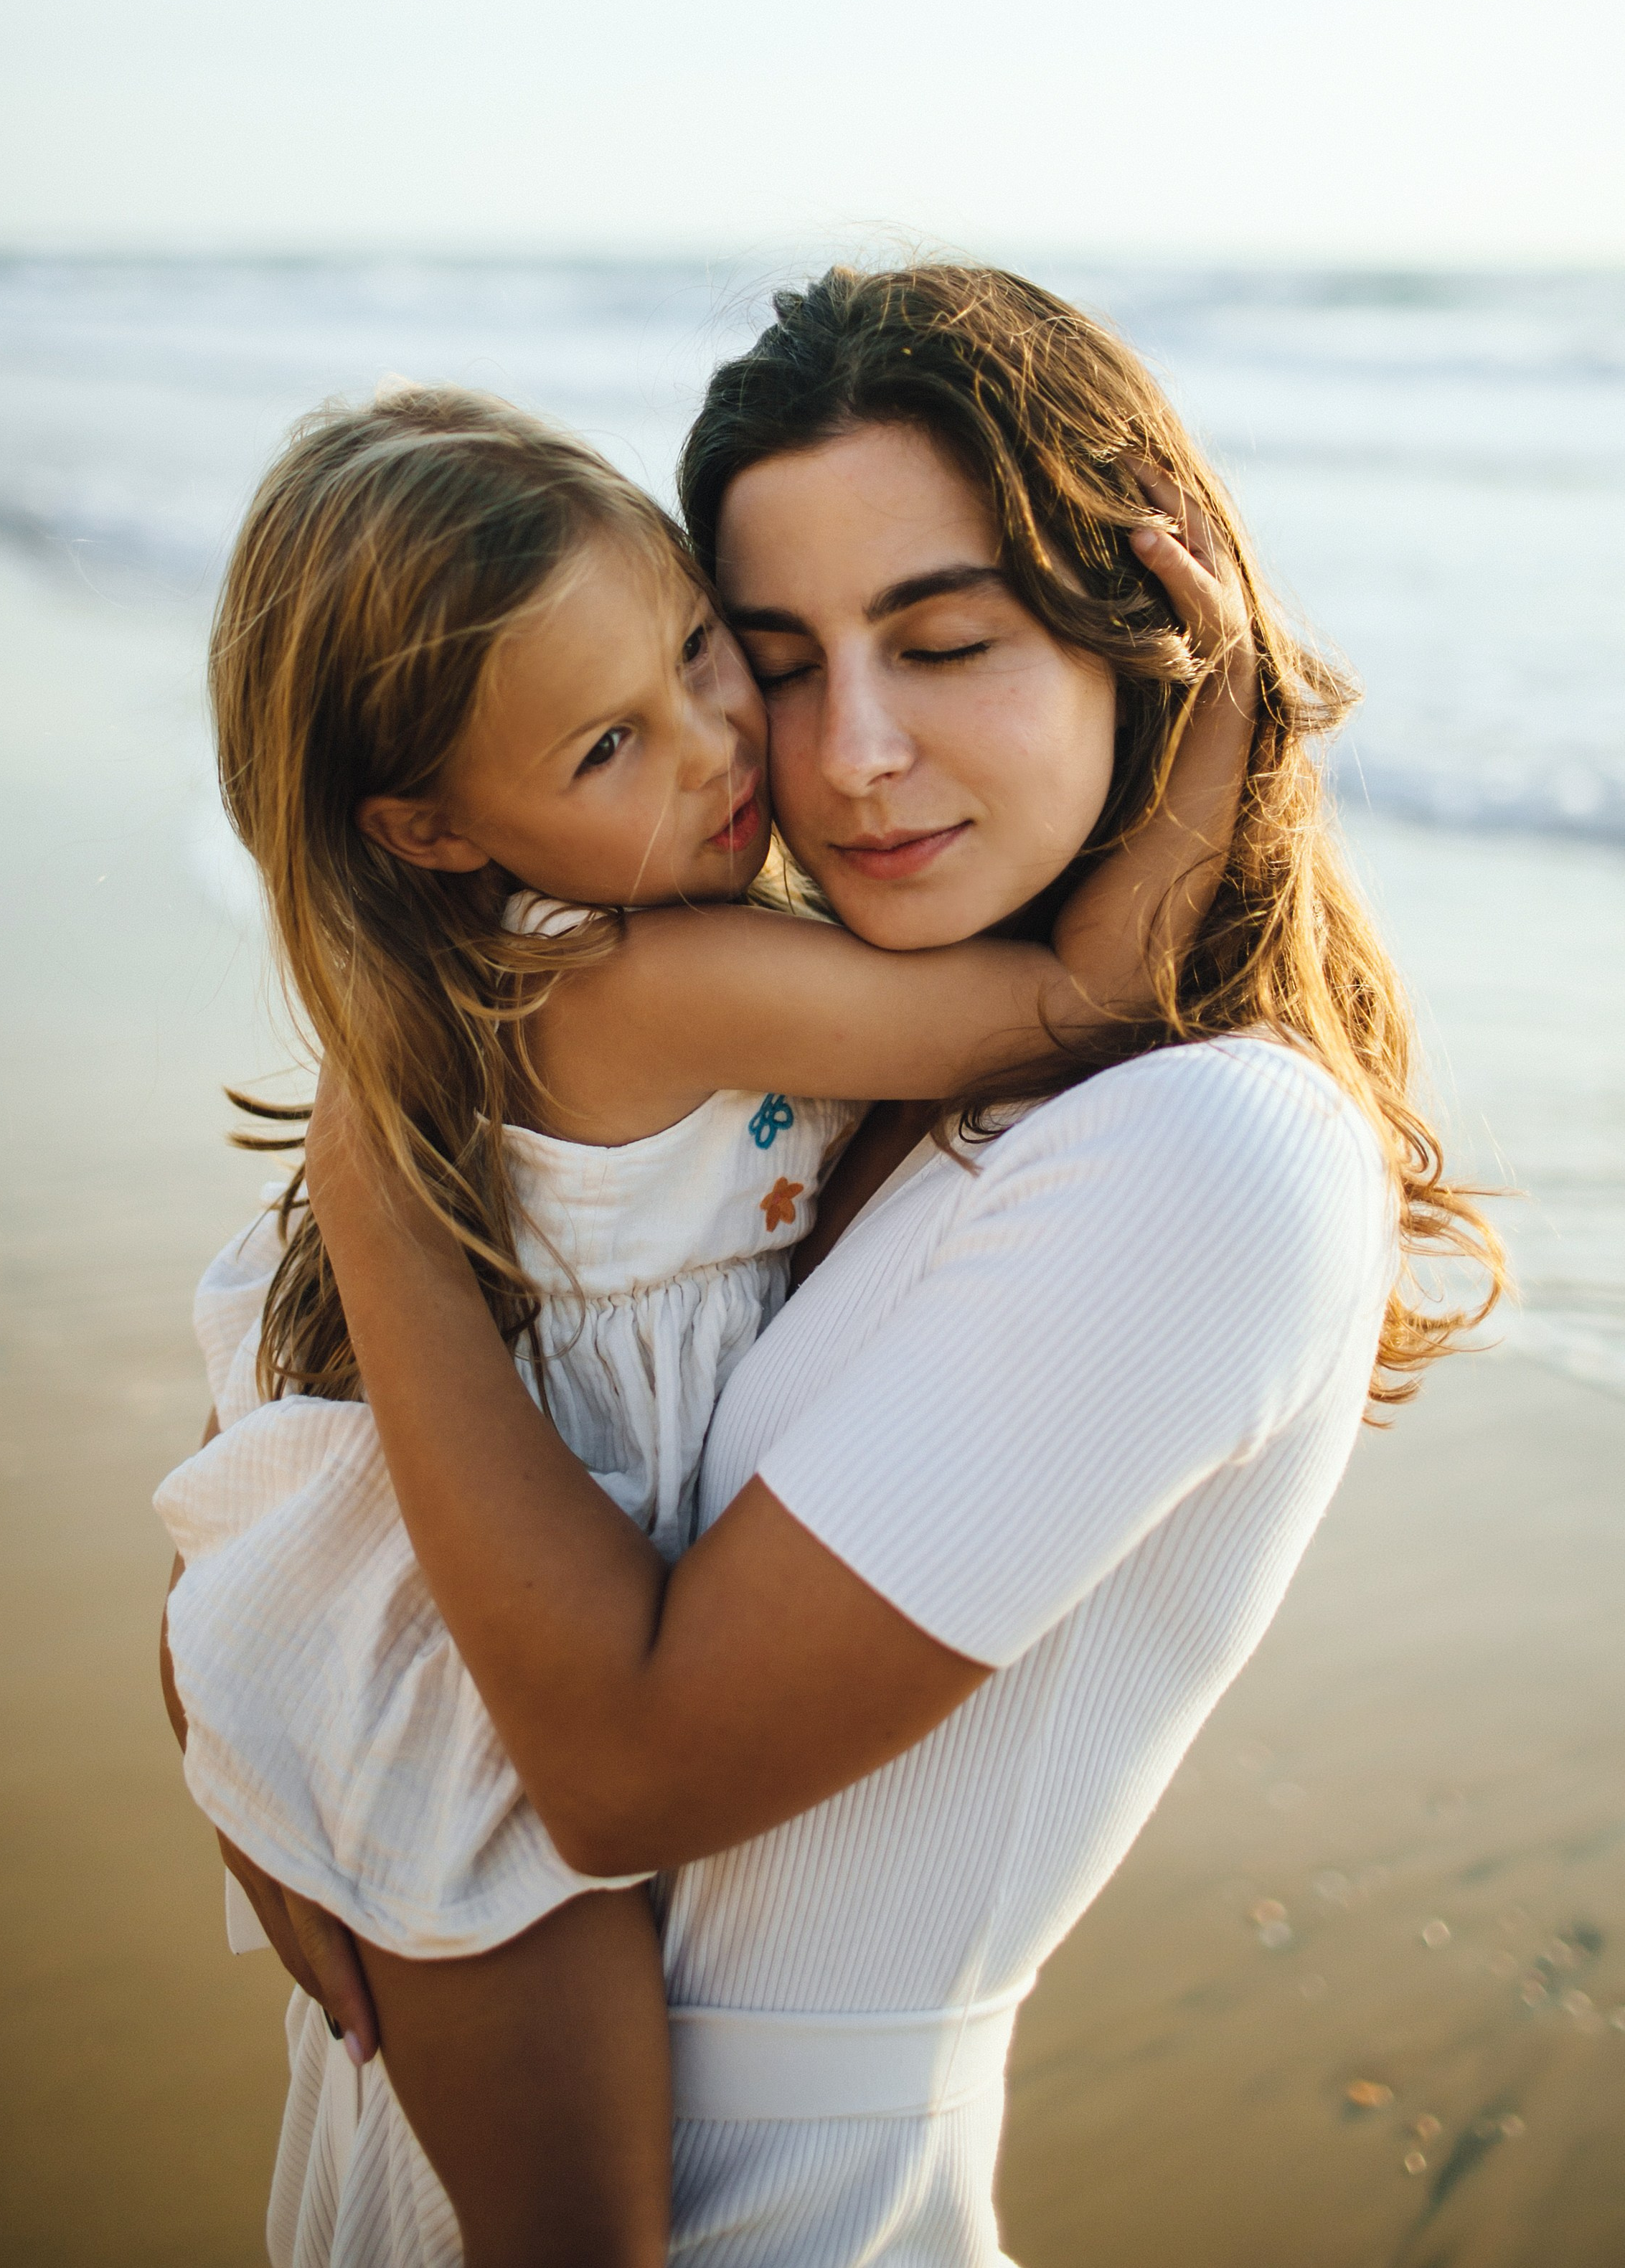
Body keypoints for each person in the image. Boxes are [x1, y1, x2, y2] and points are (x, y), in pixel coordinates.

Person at [156, 361, 1252, 2267]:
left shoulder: (481, 1008)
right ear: (429, 830)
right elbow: (1070, 1007)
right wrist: (1231, 712)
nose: (719, 747)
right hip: (451, 1676)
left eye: (694, 652)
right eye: (606, 748)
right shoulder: (648, 980)